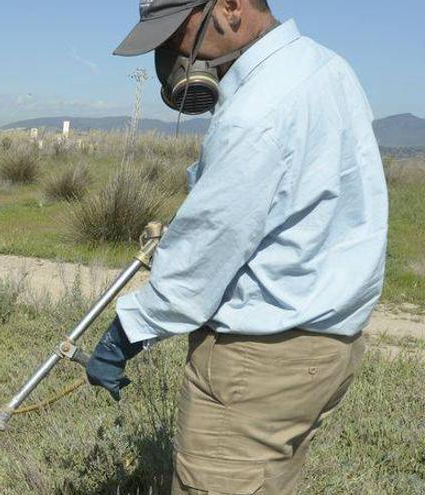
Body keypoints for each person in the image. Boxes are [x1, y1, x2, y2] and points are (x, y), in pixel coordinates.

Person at [85, 1, 389, 493]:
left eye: (177, 36)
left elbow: (203, 257)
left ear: (229, 7)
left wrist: (127, 333)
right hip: (328, 350)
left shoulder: (256, 113)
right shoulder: (328, 68)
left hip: (257, 361)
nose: (174, 54)